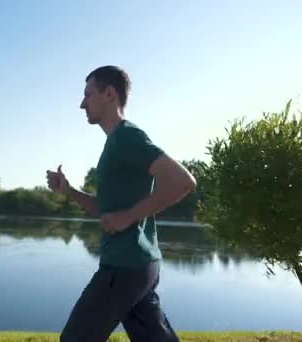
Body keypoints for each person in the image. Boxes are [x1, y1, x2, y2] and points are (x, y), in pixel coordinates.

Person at [46, 65, 196, 342]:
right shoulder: (114, 143)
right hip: (139, 264)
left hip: (125, 266)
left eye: (88, 94)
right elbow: (106, 212)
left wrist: (128, 217)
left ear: (109, 94)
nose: (82, 104)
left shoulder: (127, 136)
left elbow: (182, 181)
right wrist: (70, 192)